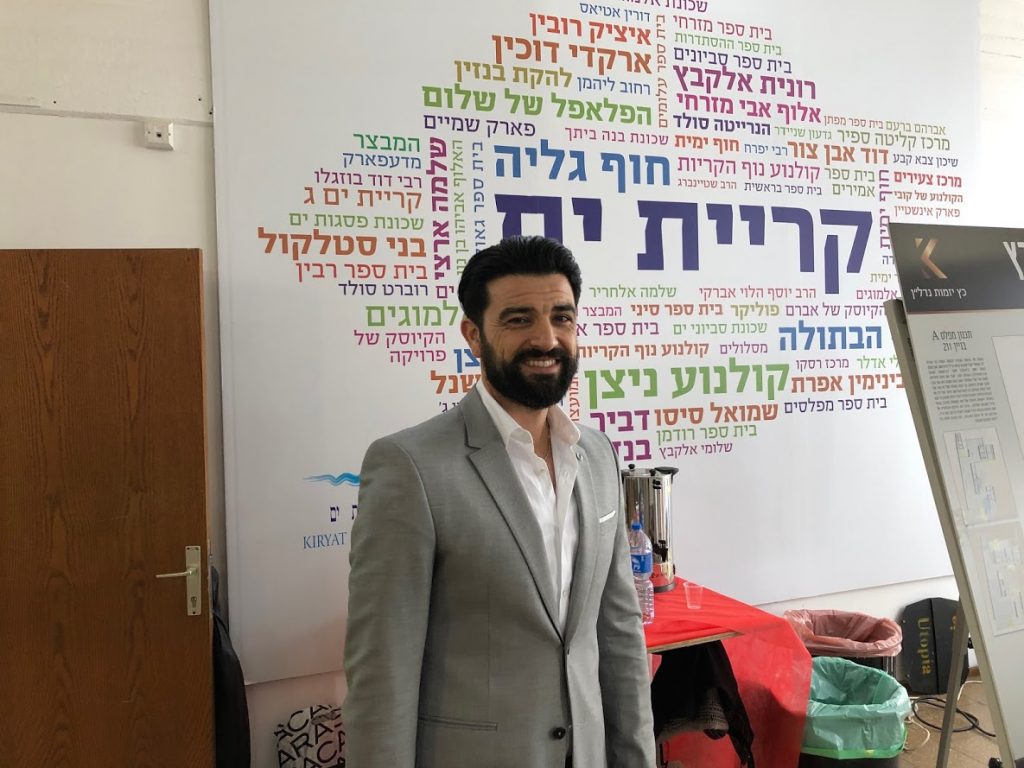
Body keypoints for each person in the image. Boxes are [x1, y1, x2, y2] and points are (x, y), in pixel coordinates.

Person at [344, 236, 655, 768]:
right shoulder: (410, 466)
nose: (546, 338)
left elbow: (619, 634)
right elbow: (382, 673)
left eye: (561, 317)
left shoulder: (598, 455)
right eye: (518, 319)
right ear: (474, 334)